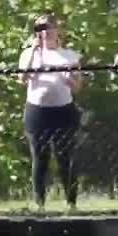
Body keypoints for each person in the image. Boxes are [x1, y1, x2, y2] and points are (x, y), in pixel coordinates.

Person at [17, 13, 84, 212]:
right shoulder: (28, 54)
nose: (44, 32)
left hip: (64, 111)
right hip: (37, 112)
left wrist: (70, 80)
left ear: (57, 30)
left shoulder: (70, 55)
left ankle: (71, 203)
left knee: (65, 158)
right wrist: (34, 52)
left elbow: (77, 86)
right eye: (39, 28)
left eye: (48, 27)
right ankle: (39, 203)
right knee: (40, 158)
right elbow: (22, 79)